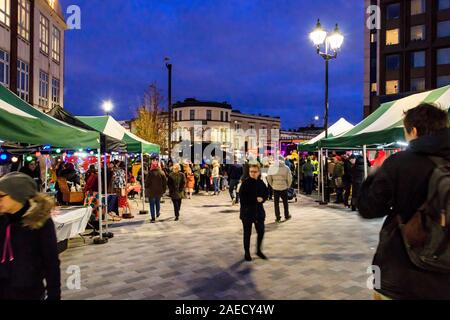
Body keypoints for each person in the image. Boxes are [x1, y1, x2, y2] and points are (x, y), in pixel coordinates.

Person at [358, 103, 450, 300]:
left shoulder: (400, 163)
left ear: (414, 131)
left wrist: (374, 175)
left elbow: (368, 208)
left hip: (401, 273)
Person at [0, 172, 60, 300]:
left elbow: (51, 262)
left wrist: (54, 295)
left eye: (1, 196)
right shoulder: (3, 220)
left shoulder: (40, 222)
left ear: (17, 196)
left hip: (28, 292)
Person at [239, 164, 269, 261]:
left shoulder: (261, 182)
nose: (253, 173)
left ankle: (258, 250)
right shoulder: (245, 183)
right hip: (247, 212)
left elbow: (266, 193)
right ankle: (247, 253)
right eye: (251, 171)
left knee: (261, 231)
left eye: (255, 171)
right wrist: (256, 199)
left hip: (259, 212)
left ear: (259, 172)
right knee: (247, 233)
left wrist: (263, 199)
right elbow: (242, 199)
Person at [267, 156, 293, 223]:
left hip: (275, 187)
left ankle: (278, 217)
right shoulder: (286, 168)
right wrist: (288, 186)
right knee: (285, 202)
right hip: (284, 187)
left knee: (276, 204)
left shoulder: (272, 167)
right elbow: (290, 178)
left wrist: (272, 185)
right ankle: (286, 215)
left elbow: (269, 178)